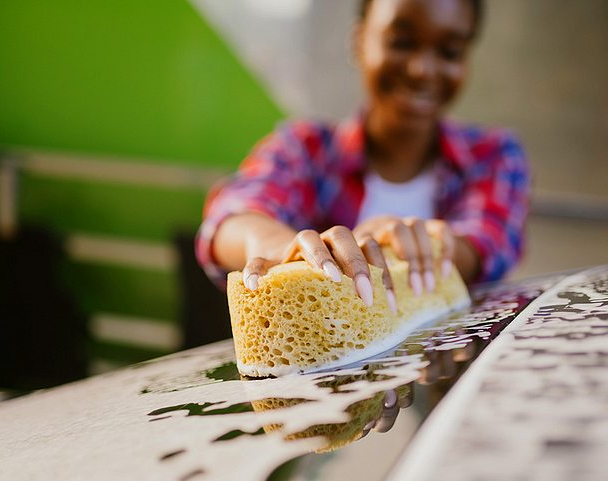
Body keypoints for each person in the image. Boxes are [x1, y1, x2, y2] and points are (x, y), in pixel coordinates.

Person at [195, 0, 529, 312]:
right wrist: (279, 246)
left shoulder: (494, 155)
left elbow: (485, 243)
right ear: (359, 42)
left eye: (450, 51)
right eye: (402, 42)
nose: (422, 70)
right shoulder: (305, 149)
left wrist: (421, 247)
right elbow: (232, 215)